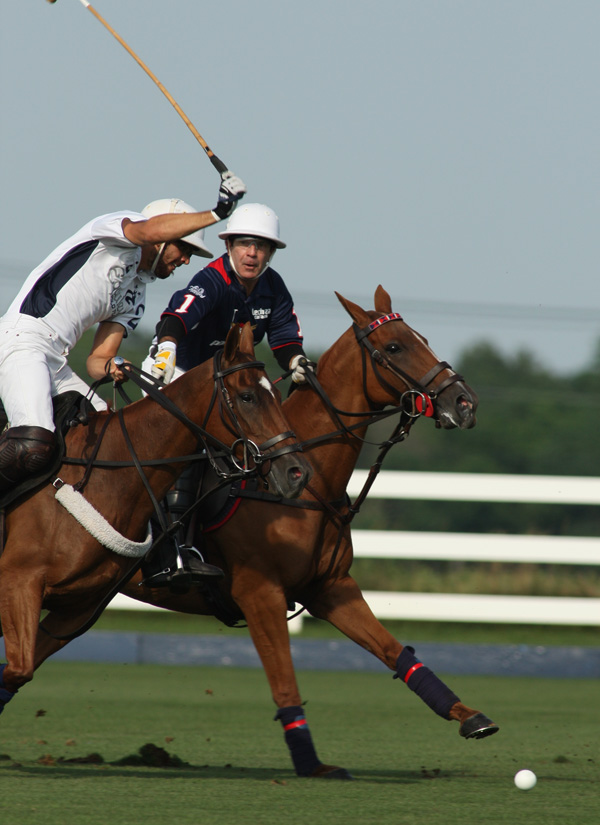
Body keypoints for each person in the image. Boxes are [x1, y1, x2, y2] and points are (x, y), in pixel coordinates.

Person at [0, 172, 246, 514]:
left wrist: (115, 367)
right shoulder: (114, 231)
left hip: (56, 362)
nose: (186, 260)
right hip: (20, 340)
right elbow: (147, 231)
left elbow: (97, 359)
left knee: (113, 443)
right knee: (34, 445)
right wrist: (217, 213)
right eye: (184, 247)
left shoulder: (137, 293)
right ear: (162, 239)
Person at [139, 202, 314, 588]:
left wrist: (297, 360)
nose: (252, 253)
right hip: (181, 373)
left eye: (261, 246)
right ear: (230, 245)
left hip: (227, 386)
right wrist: (167, 346)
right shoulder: (213, 279)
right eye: (245, 244)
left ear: (270, 253)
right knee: (190, 449)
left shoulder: (274, 288)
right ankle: (171, 551)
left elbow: (285, 337)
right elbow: (176, 316)